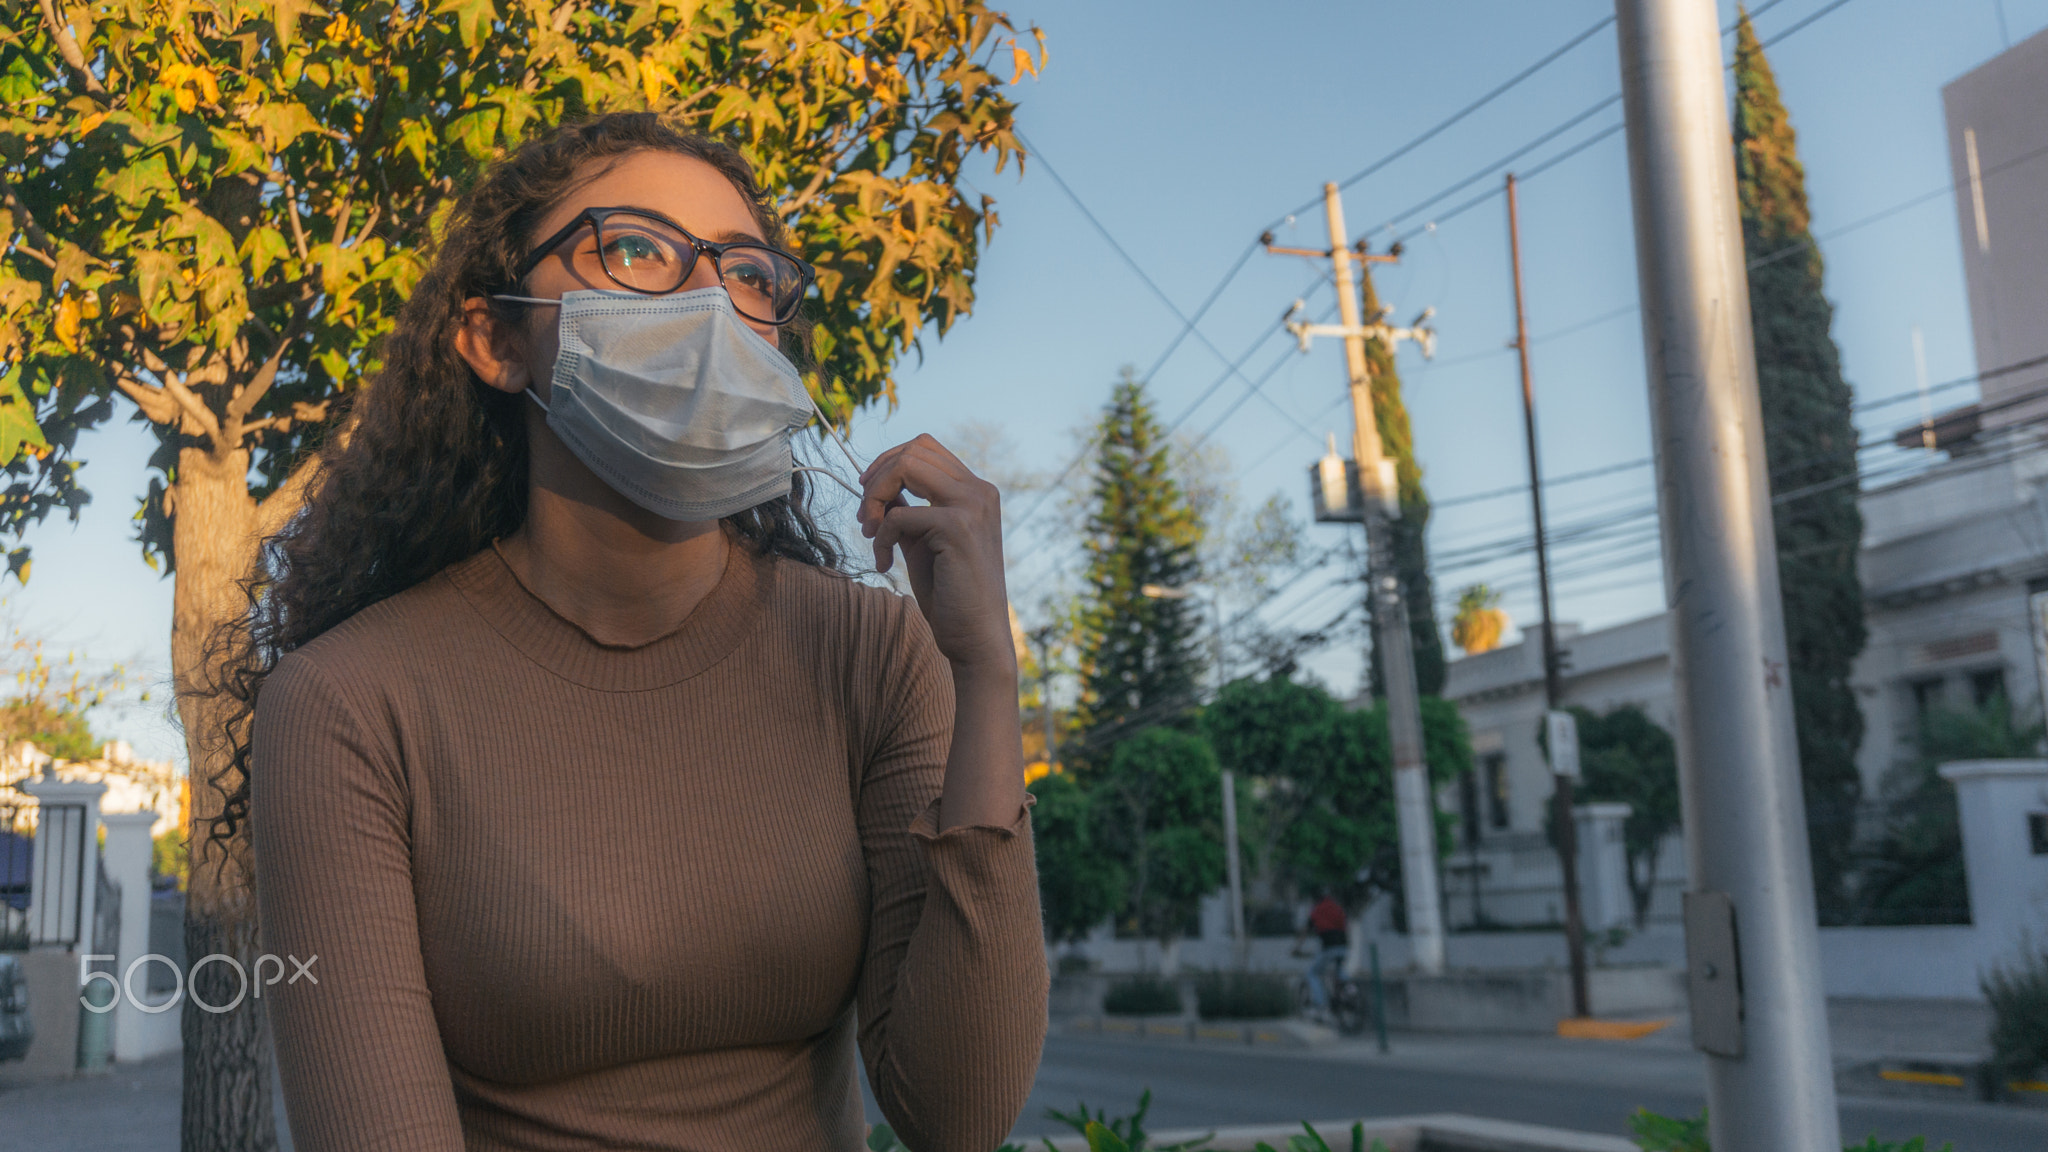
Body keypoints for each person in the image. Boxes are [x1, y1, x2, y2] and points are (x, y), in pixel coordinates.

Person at [229, 113, 1047, 1152]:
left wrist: (984, 674)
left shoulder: (872, 654)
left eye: (747, 273)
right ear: (496, 341)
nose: (710, 300)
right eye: (636, 249)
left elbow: (959, 1115)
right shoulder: (349, 703)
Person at [1295, 889, 1349, 1013]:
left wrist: (1297, 948)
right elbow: (1346, 924)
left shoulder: (1317, 910)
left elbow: (1306, 930)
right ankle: (1350, 990)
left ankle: (1321, 1004)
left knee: (1312, 974)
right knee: (1339, 972)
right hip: (1343, 946)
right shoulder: (1336, 907)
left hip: (1328, 947)